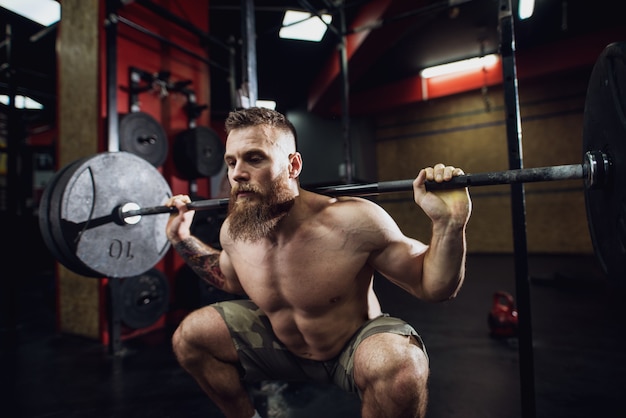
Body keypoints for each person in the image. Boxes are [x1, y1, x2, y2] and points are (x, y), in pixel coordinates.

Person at [165, 107, 472, 418]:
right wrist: (181, 237)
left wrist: (449, 225)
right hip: (283, 347)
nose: (237, 174)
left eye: (254, 158)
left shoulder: (353, 220)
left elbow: (432, 287)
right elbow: (228, 277)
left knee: (403, 365)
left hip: (352, 346)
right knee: (191, 336)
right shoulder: (236, 231)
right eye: (231, 162)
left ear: (293, 165)